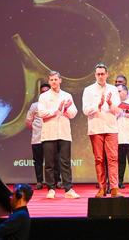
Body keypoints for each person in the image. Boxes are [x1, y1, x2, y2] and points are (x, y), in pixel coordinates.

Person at [37, 71, 79, 199]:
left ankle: (68, 189)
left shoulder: (67, 95)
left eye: (56, 79)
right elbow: (41, 113)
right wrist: (57, 109)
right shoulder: (44, 97)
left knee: (65, 162)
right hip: (49, 134)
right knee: (49, 163)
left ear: (60, 80)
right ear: (49, 81)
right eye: (51, 80)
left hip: (64, 134)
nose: (54, 82)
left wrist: (65, 108)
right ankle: (51, 189)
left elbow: (73, 113)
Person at [82, 63, 121, 197]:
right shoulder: (88, 90)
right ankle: (102, 188)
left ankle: (114, 188)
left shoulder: (113, 89)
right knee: (99, 159)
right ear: (95, 75)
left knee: (113, 158)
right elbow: (85, 110)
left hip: (111, 127)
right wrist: (97, 106)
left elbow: (118, 110)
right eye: (98, 74)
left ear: (107, 74)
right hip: (96, 128)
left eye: (102, 74)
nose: (100, 76)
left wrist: (110, 103)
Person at [25, 83, 61, 190]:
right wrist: (36, 129)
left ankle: (57, 181)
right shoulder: (34, 106)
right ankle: (39, 182)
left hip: (52, 137)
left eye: (46, 91)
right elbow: (28, 121)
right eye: (42, 92)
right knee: (38, 161)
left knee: (55, 160)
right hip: (38, 138)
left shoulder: (55, 105)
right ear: (40, 93)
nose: (44, 93)